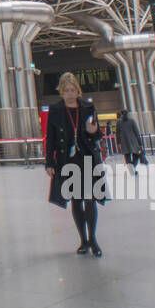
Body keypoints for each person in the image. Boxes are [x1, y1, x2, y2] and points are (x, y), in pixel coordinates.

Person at [45, 72, 106, 257]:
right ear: (61, 92)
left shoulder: (88, 107)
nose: (70, 94)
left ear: (78, 90)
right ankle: (83, 240)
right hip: (67, 161)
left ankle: (93, 239)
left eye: (73, 90)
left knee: (91, 199)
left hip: (87, 158)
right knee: (76, 200)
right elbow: (51, 138)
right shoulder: (56, 110)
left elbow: (97, 135)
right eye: (66, 91)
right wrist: (49, 162)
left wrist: (94, 131)